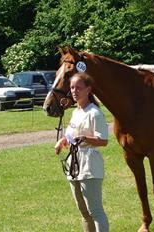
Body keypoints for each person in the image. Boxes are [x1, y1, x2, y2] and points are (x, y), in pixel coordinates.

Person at [55, 72, 109, 232]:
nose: (74, 91)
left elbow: (103, 141)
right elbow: (71, 135)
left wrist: (85, 137)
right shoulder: (75, 112)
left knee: (95, 212)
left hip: (89, 166)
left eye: (78, 88)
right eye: (72, 88)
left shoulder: (95, 113)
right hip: (74, 165)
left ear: (88, 90)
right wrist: (62, 140)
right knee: (84, 212)